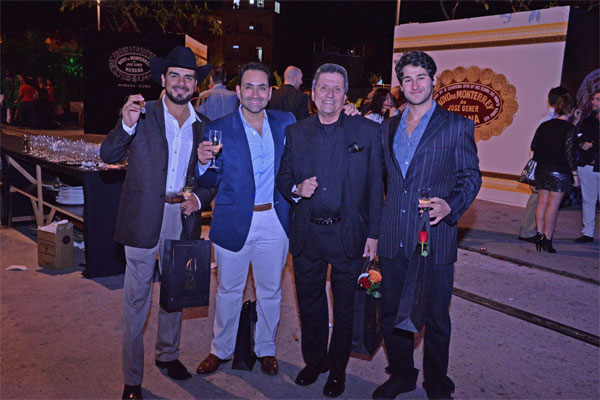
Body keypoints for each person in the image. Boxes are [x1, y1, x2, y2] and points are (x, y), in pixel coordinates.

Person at [99, 45, 215, 400]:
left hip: (182, 217)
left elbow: (210, 179)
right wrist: (125, 124)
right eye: (175, 76)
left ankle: (168, 355)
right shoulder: (142, 113)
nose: (181, 83)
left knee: (175, 295)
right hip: (142, 217)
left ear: (195, 84)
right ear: (163, 79)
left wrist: (199, 195)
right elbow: (108, 154)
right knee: (137, 301)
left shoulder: (204, 126)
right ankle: (132, 378)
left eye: (188, 78)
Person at [374, 51, 481, 400]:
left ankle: (436, 382)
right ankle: (402, 375)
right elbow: (381, 180)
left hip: (433, 235)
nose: (415, 84)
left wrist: (452, 205)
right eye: (407, 78)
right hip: (393, 235)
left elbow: (470, 177)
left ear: (433, 81)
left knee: (436, 318)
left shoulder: (456, 125)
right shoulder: (388, 127)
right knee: (390, 313)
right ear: (400, 85)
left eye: (421, 77)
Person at [276, 63, 383, 398]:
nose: (330, 94)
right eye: (324, 87)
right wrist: (296, 189)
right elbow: (283, 177)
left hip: (348, 234)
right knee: (310, 304)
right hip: (307, 234)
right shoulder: (296, 132)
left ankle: (338, 370)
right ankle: (315, 361)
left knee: (345, 307)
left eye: (337, 88)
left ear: (345, 94)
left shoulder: (366, 131)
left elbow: (375, 185)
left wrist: (374, 234)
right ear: (312, 93)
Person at [194, 62, 296, 377]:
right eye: (248, 87)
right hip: (232, 220)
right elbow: (210, 181)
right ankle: (220, 350)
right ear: (238, 91)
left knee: (271, 291)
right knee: (228, 290)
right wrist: (203, 163)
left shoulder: (286, 123)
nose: (255, 94)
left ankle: (265, 349)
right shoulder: (219, 128)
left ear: (270, 92)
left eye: (262, 87)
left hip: (274, 221)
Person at [518, 86, 569, 242]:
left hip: (542, 165)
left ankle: (532, 231)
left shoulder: (548, 117)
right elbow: (539, 146)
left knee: (539, 200)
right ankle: (528, 231)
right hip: (544, 166)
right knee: (538, 200)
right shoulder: (550, 120)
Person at [530, 91, 579, 253]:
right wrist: (575, 175)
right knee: (553, 206)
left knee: (542, 203)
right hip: (560, 171)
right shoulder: (570, 129)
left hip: (542, 169)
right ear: (572, 109)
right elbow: (570, 154)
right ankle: (547, 239)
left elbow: (534, 146)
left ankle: (539, 236)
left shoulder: (545, 125)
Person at [574, 90, 599, 243]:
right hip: (587, 166)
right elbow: (577, 137)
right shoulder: (588, 120)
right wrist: (582, 143)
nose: (593, 102)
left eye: (597, 99)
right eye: (593, 99)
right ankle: (587, 233)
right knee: (588, 201)